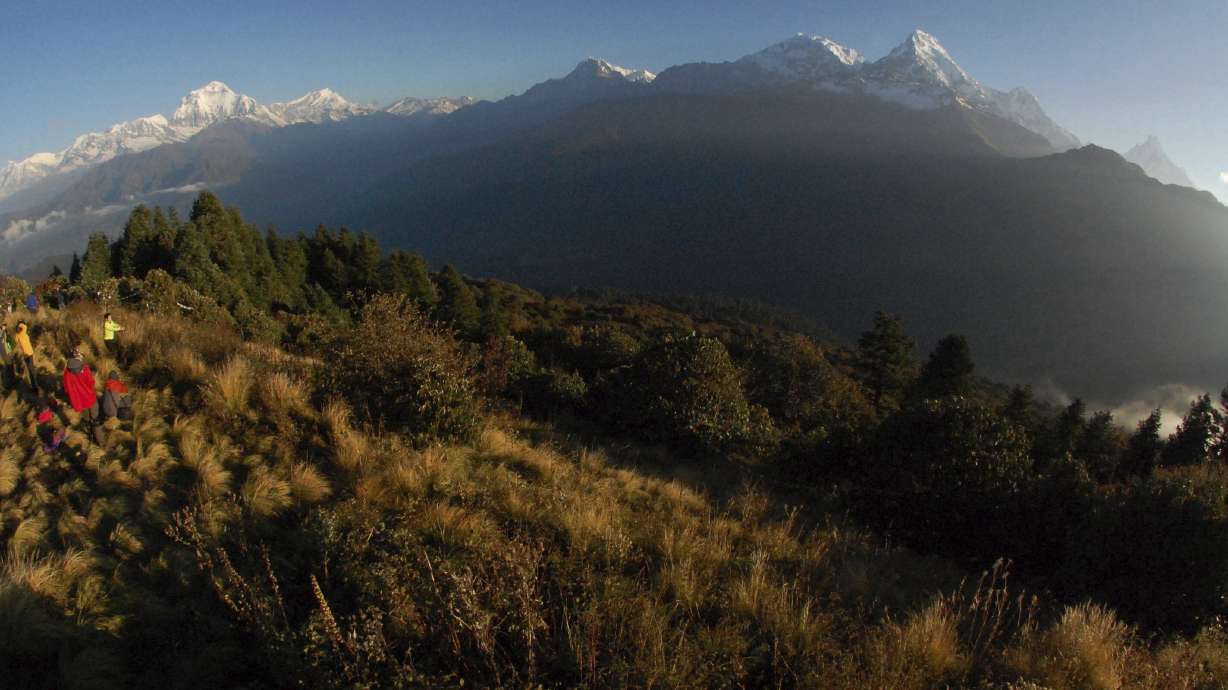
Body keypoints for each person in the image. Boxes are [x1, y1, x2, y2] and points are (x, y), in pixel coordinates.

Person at [62, 349, 104, 445]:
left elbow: (67, 389)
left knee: (87, 419)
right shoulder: (84, 369)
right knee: (95, 419)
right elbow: (91, 382)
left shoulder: (67, 373)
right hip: (90, 398)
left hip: (80, 401)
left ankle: (89, 434)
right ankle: (100, 441)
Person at [13, 321, 35, 388]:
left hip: (30, 353)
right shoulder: (17, 335)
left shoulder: (23, 332)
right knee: (29, 370)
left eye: (19, 328)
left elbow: (24, 326)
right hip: (25, 355)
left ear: (21, 328)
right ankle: (32, 384)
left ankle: (34, 385)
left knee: (31, 370)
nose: (18, 329)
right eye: (17, 329)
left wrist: (19, 323)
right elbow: (14, 342)